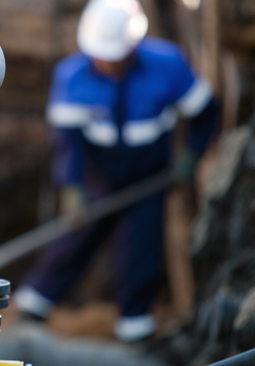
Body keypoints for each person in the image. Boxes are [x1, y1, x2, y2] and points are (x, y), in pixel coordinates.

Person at [13, 0, 219, 342]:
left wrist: (191, 157)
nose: (107, 60)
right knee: (73, 242)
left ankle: (135, 333)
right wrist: (73, 187)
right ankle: (32, 310)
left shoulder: (166, 65)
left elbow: (206, 112)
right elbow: (69, 143)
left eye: (115, 54)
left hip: (149, 178)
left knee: (140, 254)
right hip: (98, 177)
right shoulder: (72, 76)